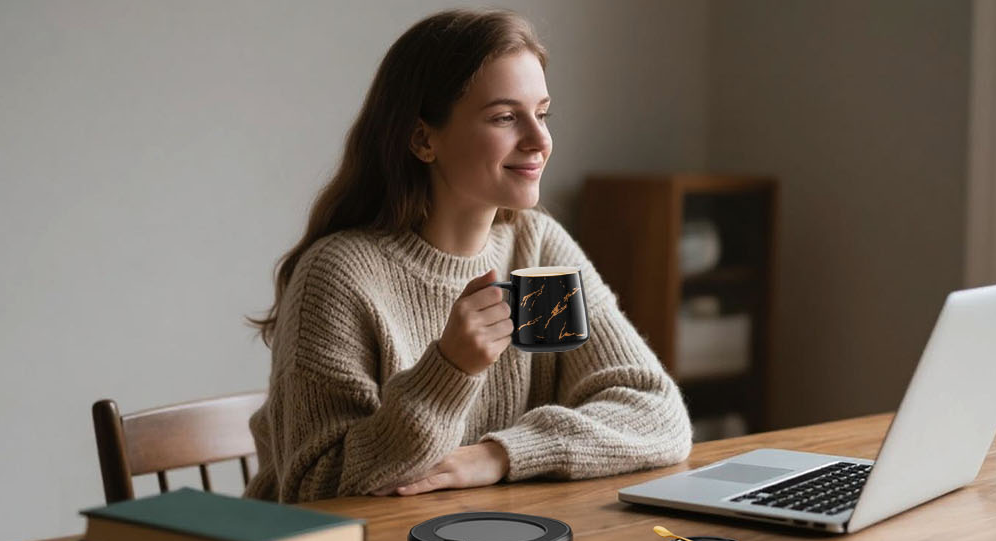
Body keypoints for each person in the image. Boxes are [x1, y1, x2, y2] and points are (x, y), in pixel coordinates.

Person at [244, 8, 691, 503]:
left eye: (541, 114)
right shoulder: (339, 276)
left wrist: (498, 457)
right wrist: (449, 371)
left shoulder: (537, 248)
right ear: (422, 139)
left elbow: (657, 412)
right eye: (504, 117)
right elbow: (313, 489)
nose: (540, 140)